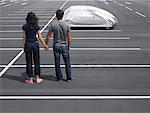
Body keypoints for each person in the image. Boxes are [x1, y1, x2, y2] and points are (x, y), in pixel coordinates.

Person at [45, 9, 72, 82]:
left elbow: (48, 36)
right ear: (63, 16)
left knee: (57, 62)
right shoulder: (66, 25)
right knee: (67, 62)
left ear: (56, 16)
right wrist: (69, 45)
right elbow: (69, 37)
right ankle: (68, 77)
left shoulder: (53, 24)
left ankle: (59, 77)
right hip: (64, 45)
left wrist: (46, 44)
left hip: (56, 45)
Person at [22, 12, 48, 84]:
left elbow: (24, 37)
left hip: (28, 44)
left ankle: (30, 79)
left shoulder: (25, 26)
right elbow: (39, 37)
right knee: (37, 61)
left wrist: (23, 46)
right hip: (35, 44)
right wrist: (45, 45)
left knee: (29, 62)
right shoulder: (36, 26)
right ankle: (37, 78)